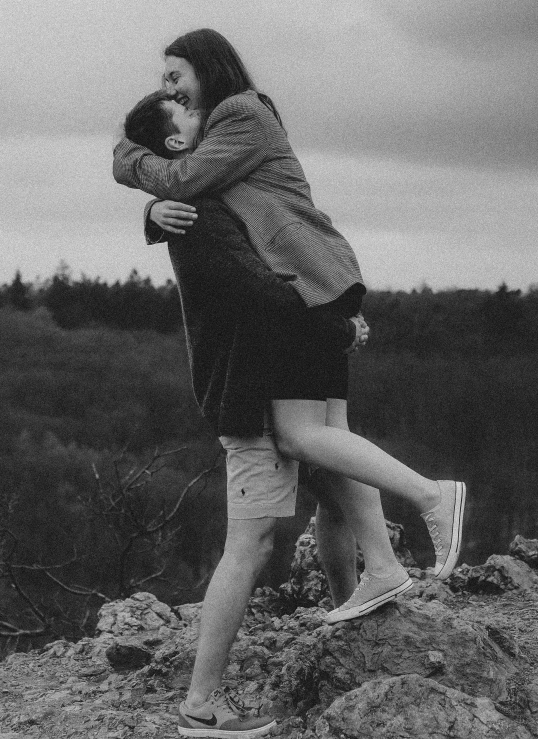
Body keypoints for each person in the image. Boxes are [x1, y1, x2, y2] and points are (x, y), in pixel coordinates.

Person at [115, 30, 466, 737]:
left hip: (300, 311)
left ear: (207, 71)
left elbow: (198, 204)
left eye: (176, 78)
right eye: (167, 99)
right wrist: (143, 183)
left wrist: (136, 170)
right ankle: (206, 700)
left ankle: (382, 573)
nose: (173, 94)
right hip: (262, 363)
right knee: (310, 468)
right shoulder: (200, 194)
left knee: (323, 456)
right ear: (175, 142)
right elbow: (234, 271)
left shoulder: (237, 121)